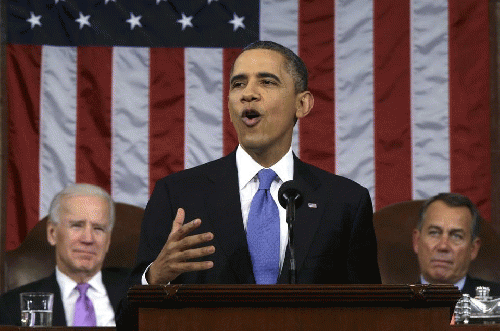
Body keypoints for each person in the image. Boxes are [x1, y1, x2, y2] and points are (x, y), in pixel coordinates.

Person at [129, 40, 381, 287]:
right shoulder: (178, 194)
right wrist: (154, 278)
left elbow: (370, 316)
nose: (248, 93)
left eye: (267, 81)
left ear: (302, 104)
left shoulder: (345, 202)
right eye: (238, 84)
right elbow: (127, 316)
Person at [0, 183, 130, 326]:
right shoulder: (11, 307)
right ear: (52, 233)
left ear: (108, 240)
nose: (88, 239)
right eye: (76, 225)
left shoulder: (136, 294)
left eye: (98, 228)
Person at [413, 192, 500, 297]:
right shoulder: (393, 306)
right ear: (417, 241)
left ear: (473, 249)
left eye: (456, 236)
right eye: (434, 233)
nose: (443, 246)